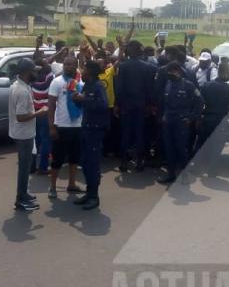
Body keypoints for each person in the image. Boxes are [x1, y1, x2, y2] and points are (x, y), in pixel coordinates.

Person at [9, 58, 48, 211]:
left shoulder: (19, 85)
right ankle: (20, 200)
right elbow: (21, 116)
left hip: (21, 133)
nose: (36, 73)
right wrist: (40, 112)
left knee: (25, 167)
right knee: (24, 168)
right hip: (23, 134)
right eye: (33, 71)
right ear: (26, 73)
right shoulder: (22, 90)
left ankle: (24, 194)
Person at [71, 61, 110, 210]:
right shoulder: (87, 85)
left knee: (93, 164)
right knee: (86, 163)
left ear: (91, 72)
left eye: (84, 69)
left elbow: (103, 106)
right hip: (86, 128)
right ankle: (89, 193)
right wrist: (77, 100)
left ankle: (94, 197)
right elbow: (85, 105)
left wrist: (84, 99)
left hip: (95, 130)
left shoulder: (99, 86)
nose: (82, 71)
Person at [158, 62, 204, 185]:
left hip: (181, 122)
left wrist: (192, 117)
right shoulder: (168, 84)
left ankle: (185, 176)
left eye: (171, 71)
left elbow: (200, 102)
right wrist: (163, 116)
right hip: (168, 122)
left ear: (178, 71)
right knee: (169, 148)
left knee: (181, 149)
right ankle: (171, 174)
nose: (169, 74)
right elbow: (165, 102)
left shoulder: (188, 85)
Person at [48, 56, 84, 198]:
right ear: (63, 66)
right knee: (57, 159)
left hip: (77, 126)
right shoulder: (56, 82)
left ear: (76, 66)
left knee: (74, 158)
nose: (69, 66)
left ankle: (72, 184)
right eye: (66, 64)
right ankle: (52, 186)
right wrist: (51, 127)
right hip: (61, 126)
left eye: (72, 64)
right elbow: (50, 105)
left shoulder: (80, 83)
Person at [115, 40, 154, 172]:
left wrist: (117, 105)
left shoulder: (124, 66)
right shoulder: (147, 67)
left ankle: (124, 162)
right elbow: (149, 89)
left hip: (126, 105)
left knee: (125, 133)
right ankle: (139, 162)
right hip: (141, 105)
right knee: (139, 134)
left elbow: (119, 88)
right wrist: (149, 105)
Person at [195, 63, 229, 176]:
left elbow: (200, 102)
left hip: (206, 118)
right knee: (216, 146)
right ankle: (212, 170)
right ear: (227, 73)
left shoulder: (207, 86)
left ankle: (196, 167)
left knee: (201, 143)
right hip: (220, 121)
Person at [31, 37, 54, 175]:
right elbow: (47, 64)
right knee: (46, 141)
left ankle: (32, 166)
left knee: (36, 141)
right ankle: (43, 167)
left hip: (35, 112)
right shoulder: (49, 77)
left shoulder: (33, 79)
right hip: (46, 112)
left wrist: (37, 47)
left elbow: (38, 61)